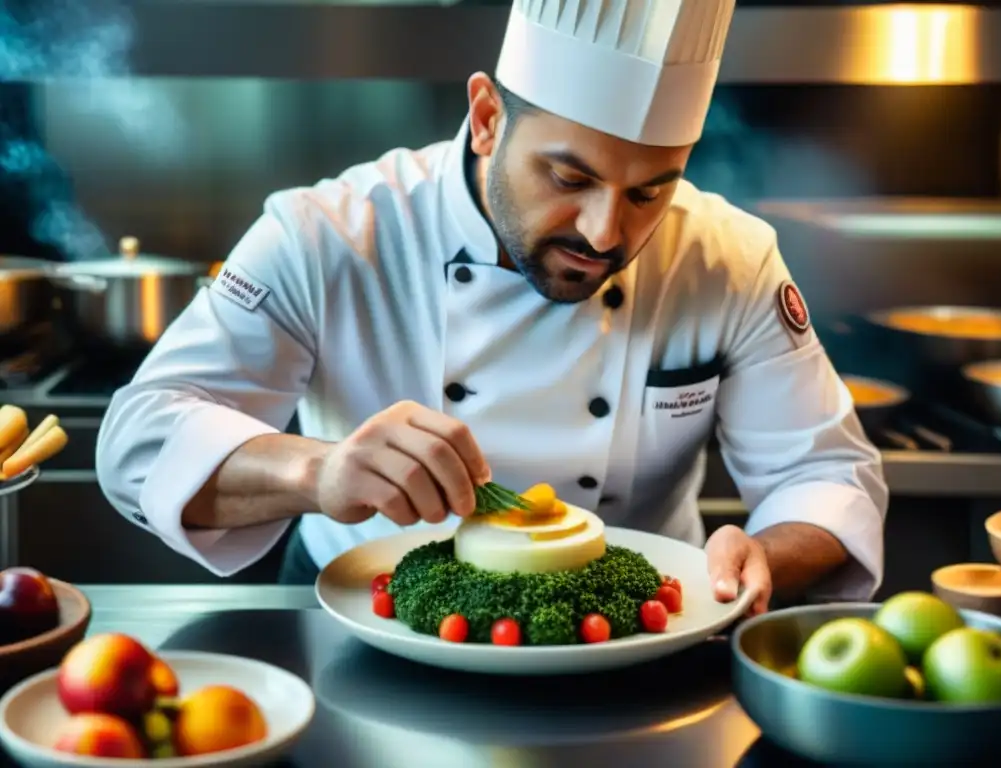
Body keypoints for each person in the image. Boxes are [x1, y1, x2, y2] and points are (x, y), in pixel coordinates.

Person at [96, 0, 887, 615]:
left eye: (650, 190)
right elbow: (138, 439)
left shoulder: (729, 257)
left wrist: (766, 555)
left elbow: (825, 474)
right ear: (485, 119)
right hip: (366, 627)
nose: (605, 232)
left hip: (642, 629)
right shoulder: (328, 233)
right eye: (569, 179)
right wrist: (318, 470)